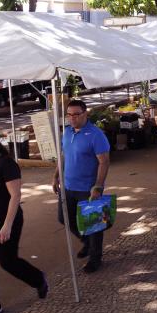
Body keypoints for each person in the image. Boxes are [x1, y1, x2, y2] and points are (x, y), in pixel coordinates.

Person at [0, 127, 47, 313]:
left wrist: (7, 225)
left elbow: (15, 196)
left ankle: (38, 279)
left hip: (5, 220)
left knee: (7, 260)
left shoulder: (6, 165)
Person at [53, 99, 110, 273]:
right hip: (68, 185)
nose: (72, 118)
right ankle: (86, 241)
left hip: (88, 188)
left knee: (94, 224)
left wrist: (98, 186)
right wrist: (56, 176)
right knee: (64, 218)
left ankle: (95, 258)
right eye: (69, 115)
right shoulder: (68, 133)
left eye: (76, 114)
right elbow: (63, 156)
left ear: (85, 114)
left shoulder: (95, 134)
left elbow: (104, 162)